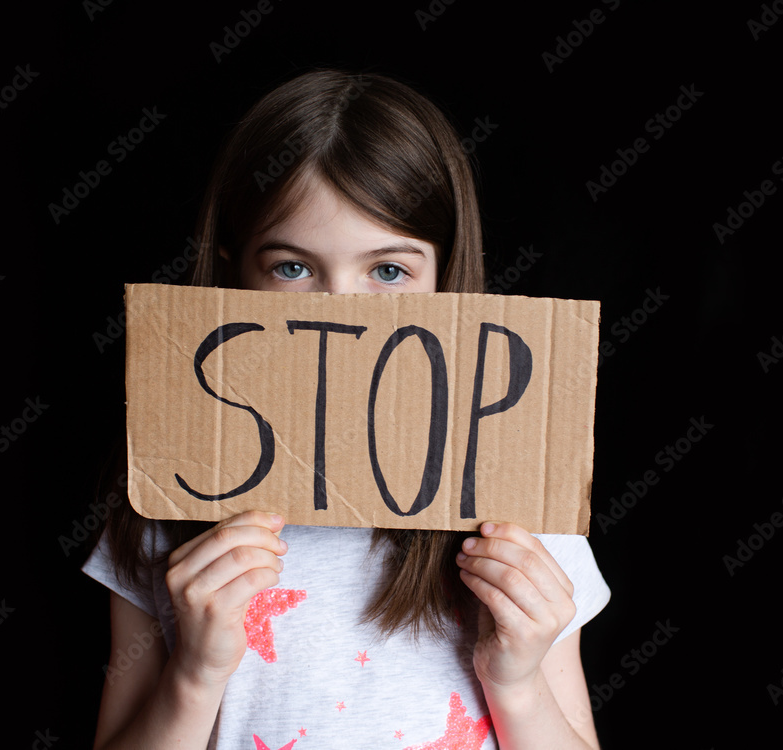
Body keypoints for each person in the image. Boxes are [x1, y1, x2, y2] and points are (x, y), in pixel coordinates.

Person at [83, 68, 610, 749]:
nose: (341, 318)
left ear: (447, 280)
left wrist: (516, 680)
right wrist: (194, 672)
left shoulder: (519, 507)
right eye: (293, 268)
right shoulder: (164, 502)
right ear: (232, 275)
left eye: (388, 271)